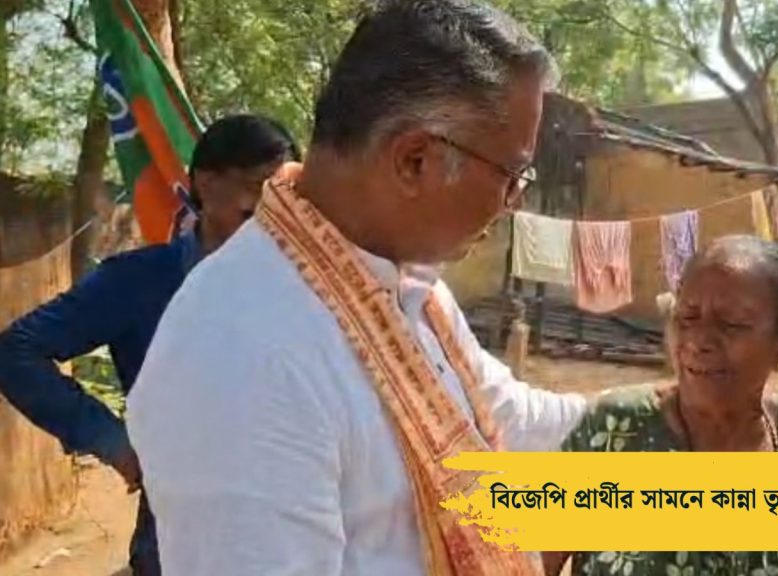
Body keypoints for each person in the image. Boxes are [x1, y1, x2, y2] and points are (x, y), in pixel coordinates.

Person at [126, 2, 587, 575]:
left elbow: (513, 426)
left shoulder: (406, 286)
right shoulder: (243, 353)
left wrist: (715, 485)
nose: (514, 201)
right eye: (513, 176)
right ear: (415, 160)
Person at [0, 113, 300, 576]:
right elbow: (16, 351)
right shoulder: (141, 280)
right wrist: (112, 441)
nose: (271, 207)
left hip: (294, 538)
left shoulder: (311, 286)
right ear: (206, 182)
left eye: (285, 192)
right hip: (177, 544)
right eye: (256, 186)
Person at [546, 235, 778, 576]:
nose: (698, 341)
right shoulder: (613, 430)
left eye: (733, 323)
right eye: (687, 317)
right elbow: (527, 566)